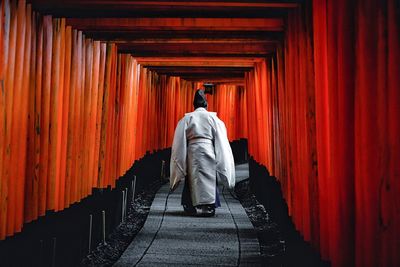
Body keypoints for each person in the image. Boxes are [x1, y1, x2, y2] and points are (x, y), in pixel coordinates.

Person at [170, 89, 235, 217]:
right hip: (209, 149)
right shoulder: (213, 118)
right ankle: (209, 206)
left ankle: (189, 205)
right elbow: (221, 139)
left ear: (194, 105)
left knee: (191, 178)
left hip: (192, 150)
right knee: (210, 178)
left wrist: (180, 161)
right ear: (206, 105)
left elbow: (179, 141)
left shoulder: (187, 118)